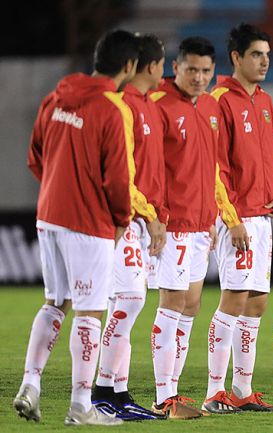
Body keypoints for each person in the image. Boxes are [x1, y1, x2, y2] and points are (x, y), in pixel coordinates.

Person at [15, 29, 145, 426]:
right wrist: (122, 219)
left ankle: (30, 384)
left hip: (49, 216)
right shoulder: (112, 108)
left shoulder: (56, 97)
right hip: (88, 223)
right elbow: (119, 179)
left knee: (55, 302)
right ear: (129, 66)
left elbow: (35, 156)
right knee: (90, 313)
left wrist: (59, 190)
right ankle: (80, 406)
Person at [204, 23, 273, 414]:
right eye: (256, 54)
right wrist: (230, 218)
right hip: (236, 218)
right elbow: (214, 166)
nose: (264, 61)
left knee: (256, 302)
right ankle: (213, 390)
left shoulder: (266, 102)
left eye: (267, 54)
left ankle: (242, 389)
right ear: (236, 57)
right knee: (233, 299)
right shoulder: (219, 99)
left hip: (261, 218)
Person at [90, 33, 169, 421]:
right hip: (123, 220)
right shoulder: (124, 106)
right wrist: (148, 214)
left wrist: (159, 214)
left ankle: (117, 392)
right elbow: (123, 175)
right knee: (128, 300)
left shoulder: (149, 106)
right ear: (152, 66)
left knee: (126, 302)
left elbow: (152, 172)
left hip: (140, 221)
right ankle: (102, 390)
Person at [149, 36, 221, 419]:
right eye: (191, 69)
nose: (198, 77)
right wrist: (157, 217)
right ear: (174, 68)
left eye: (206, 70)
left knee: (190, 306)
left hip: (198, 224)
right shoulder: (158, 105)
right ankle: (163, 398)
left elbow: (208, 168)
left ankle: (173, 392)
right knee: (172, 304)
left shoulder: (209, 106)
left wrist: (209, 218)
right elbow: (151, 167)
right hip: (171, 224)